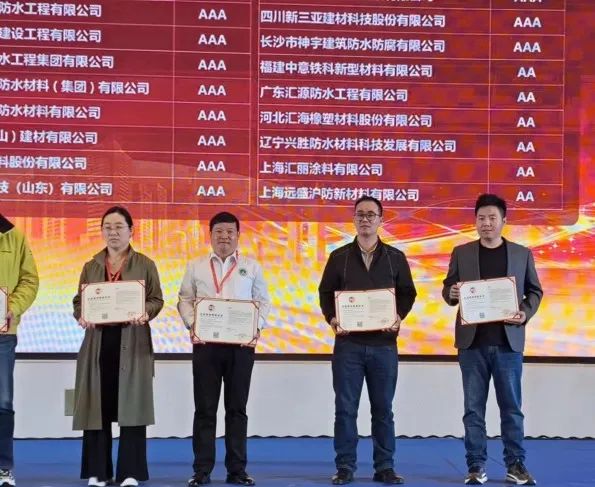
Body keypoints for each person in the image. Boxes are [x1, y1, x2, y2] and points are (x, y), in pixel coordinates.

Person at [442, 193, 543, 486]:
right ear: (475, 221)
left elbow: (535, 291)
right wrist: (451, 293)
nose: (486, 223)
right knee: (473, 409)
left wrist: (524, 313)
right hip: (471, 344)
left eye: (492, 218)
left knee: (511, 408)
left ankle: (516, 465)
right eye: (481, 218)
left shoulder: (521, 254)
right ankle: (475, 466)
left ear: (503, 221)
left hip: (508, 344)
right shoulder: (461, 252)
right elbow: (448, 288)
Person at [318, 196, 417, 485]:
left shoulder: (395, 257)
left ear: (380, 220)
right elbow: (325, 293)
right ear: (354, 220)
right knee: (345, 409)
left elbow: (408, 293)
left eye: (371, 214)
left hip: (384, 345)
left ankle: (384, 467)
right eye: (360, 214)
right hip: (348, 345)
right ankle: (345, 467)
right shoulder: (339, 257)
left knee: (383, 410)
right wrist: (332, 318)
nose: (365, 219)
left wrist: (398, 315)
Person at [72, 206, 164, 487]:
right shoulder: (91, 265)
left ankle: (130, 472)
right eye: (107, 227)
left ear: (130, 231)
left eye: (118, 227)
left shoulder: (145, 264)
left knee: (132, 408)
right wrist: (82, 315)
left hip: (132, 343)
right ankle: (98, 472)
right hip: (98, 345)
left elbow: (156, 299)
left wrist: (145, 312)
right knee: (96, 408)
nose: (113, 233)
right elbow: (79, 301)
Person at [178, 212, 270, 487]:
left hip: (240, 348)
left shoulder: (251, 267)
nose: (224, 237)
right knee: (204, 410)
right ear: (210, 235)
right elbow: (184, 299)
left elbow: (263, 301)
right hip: (206, 347)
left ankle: (237, 470)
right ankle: (202, 471)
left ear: (238, 236)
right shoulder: (196, 266)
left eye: (230, 232)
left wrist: (255, 327)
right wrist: (193, 324)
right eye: (219, 231)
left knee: (237, 409)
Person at [0, 214, 39, 487]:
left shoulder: (13, 235)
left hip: (2, 334)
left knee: (2, 403)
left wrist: (12, 307)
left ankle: (3, 468)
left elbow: (29, 280)